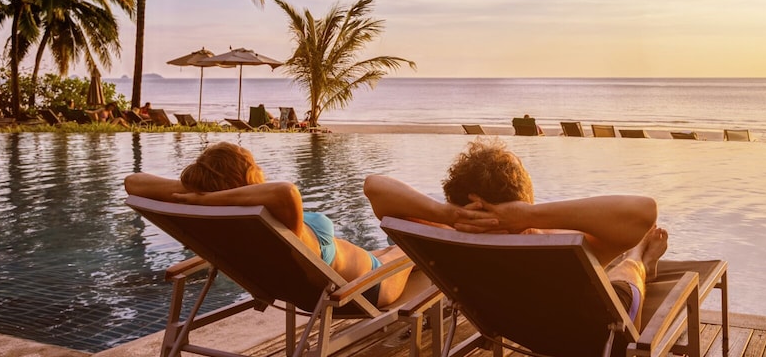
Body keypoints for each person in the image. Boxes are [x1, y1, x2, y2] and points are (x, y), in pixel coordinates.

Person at [363, 139, 665, 319]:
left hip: (506, 325)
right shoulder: (562, 244)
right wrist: (531, 216)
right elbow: (643, 212)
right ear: (524, 201)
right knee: (627, 268)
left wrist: (446, 214)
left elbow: (375, 187)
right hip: (595, 331)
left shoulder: (448, 237)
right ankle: (641, 258)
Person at [124, 142, 413, 304]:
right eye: (254, 164)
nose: (261, 168)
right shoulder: (278, 215)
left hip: (335, 277)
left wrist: (205, 193)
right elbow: (286, 191)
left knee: (391, 246)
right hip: (368, 288)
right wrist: (208, 196)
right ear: (249, 174)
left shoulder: (233, 220)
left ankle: (400, 243)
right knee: (414, 249)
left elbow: (133, 183)